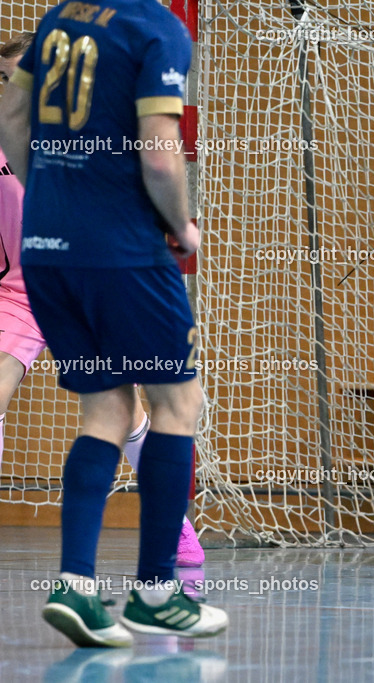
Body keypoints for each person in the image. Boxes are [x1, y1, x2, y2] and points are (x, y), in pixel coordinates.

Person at [0, 0, 226, 648]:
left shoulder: (56, 19)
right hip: (120, 248)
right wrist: (181, 226)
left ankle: (76, 584)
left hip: (46, 251)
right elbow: (159, 155)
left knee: (105, 410)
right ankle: (156, 591)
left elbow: (11, 116)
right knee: (179, 402)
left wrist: (48, 197)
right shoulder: (156, 29)